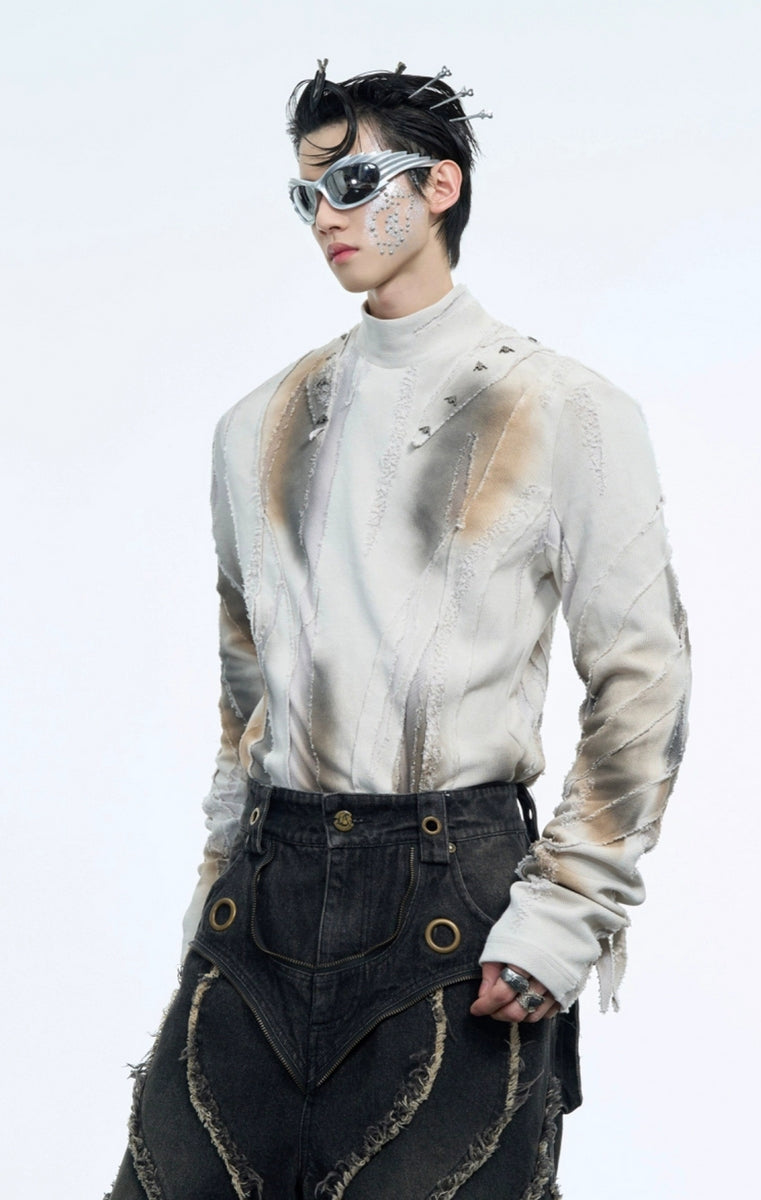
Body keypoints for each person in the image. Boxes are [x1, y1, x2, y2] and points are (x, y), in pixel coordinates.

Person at [107, 62, 690, 1200]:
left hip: (452, 900)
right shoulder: (253, 427)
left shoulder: (564, 410)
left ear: (439, 186)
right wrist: (215, 886)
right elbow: (246, 697)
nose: (326, 216)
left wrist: (568, 911)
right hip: (259, 900)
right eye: (307, 193)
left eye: (354, 182)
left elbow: (643, 676)